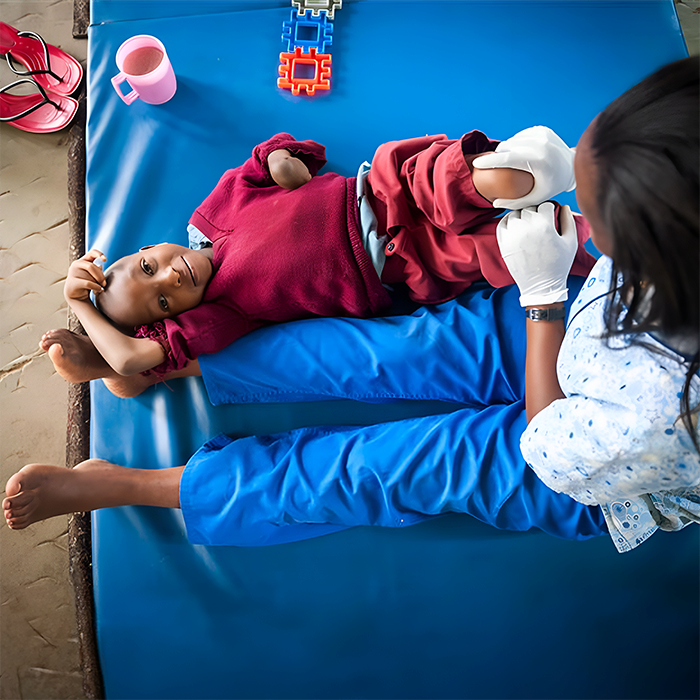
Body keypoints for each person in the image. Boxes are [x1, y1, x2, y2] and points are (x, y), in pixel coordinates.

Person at [5, 56, 700, 554]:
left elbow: (553, 453)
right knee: (382, 352)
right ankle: (164, 368)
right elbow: (271, 164)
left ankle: (132, 483)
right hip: (586, 327)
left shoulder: (668, 411)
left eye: (598, 219)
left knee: (384, 467)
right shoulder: (659, 245)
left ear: (658, 247)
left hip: (588, 462)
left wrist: (545, 300)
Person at [39, 127, 594, 389]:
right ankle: (590, 236)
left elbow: (267, 161)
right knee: (504, 251)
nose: (170, 276)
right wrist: (80, 305)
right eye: (163, 300)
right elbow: (135, 360)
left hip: (379, 190)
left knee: (445, 175)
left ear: (145, 249)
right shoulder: (222, 310)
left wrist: (284, 161)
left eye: (148, 266)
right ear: (174, 316)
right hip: (402, 264)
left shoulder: (212, 212)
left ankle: (533, 170)